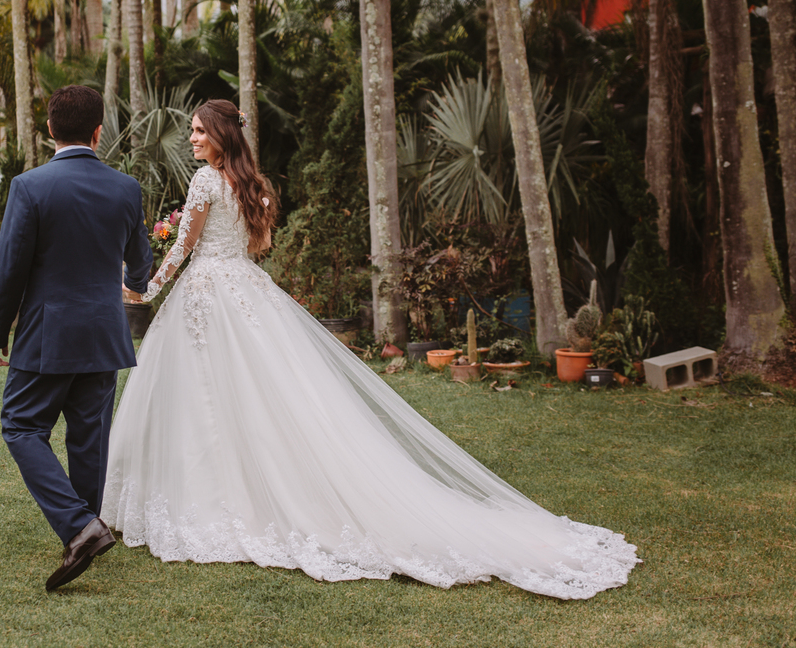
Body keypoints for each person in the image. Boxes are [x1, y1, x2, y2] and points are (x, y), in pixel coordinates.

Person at [102, 99, 640, 599]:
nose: (192, 139)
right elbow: (256, 246)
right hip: (244, 291)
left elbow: (185, 247)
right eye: (193, 132)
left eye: (199, 131)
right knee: (260, 397)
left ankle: (220, 502)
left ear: (220, 136)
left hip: (208, 296)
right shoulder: (253, 185)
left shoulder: (203, 181)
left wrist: (146, 289)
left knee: (209, 399)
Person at [0, 84, 154, 591]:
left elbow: (10, 268)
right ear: (99, 132)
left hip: (46, 335)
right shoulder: (127, 188)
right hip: (105, 334)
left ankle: (81, 527)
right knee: (89, 440)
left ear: (48, 131)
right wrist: (129, 286)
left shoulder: (29, 186)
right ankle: (85, 528)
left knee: (20, 426)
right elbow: (140, 268)